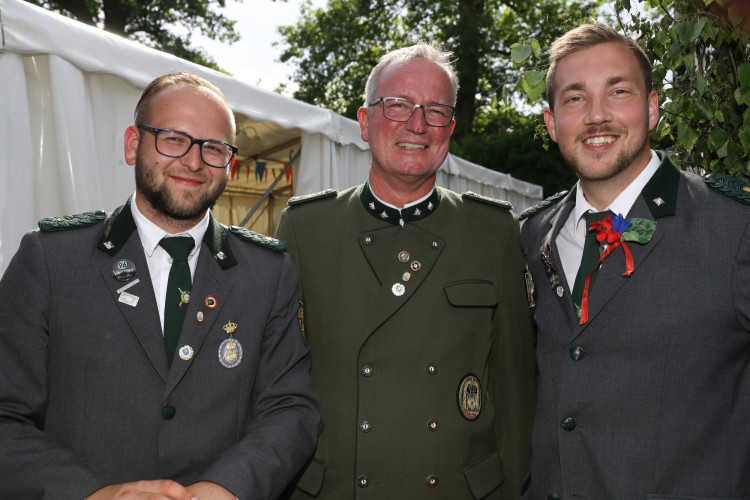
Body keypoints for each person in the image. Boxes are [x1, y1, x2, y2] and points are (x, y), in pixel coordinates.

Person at [0, 71, 323, 500]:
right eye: (174, 139)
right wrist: (92, 494)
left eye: (214, 148)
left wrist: (226, 488)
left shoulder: (268, 273)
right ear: (134, 144)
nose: (194, 161)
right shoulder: (52, 260)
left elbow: (291, 408)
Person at [275, 43, 536, 499]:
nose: (418, 124)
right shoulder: (306, 228)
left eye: (436, 111)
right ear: (364, 121)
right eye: (398, 105)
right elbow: (277, 380)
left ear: (450, 129)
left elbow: (516, 396)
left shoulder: (492, 232)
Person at [519, 23, 750, 499]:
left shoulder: (733, 229)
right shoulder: (530, 235)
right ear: (551, 122)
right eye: (575, 98)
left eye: (618, 91)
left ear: (651, 108)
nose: (596, 116)